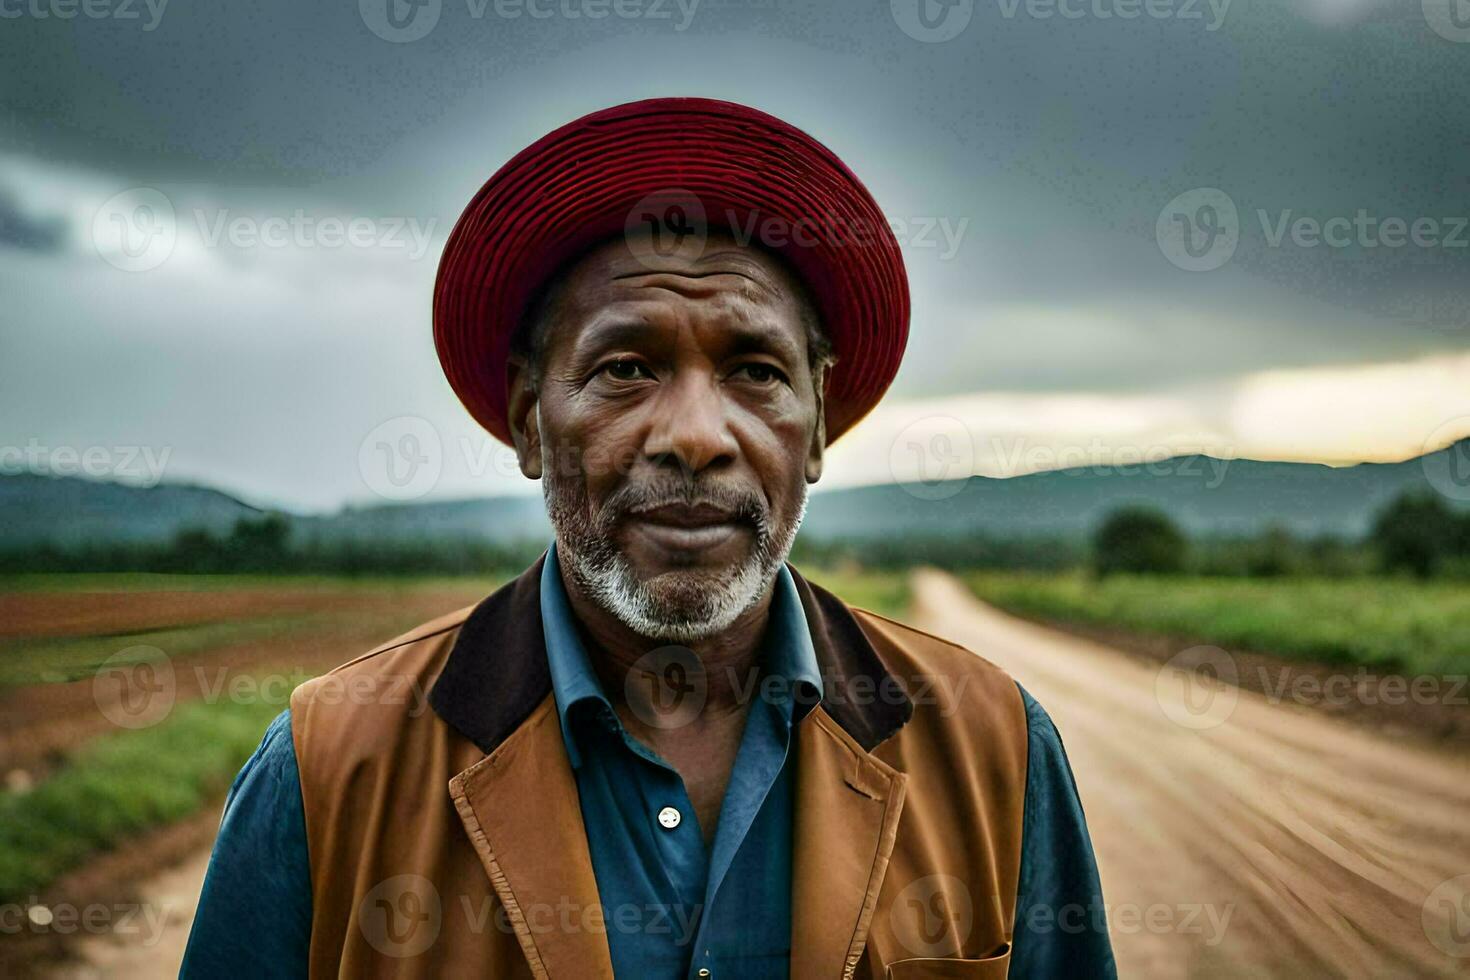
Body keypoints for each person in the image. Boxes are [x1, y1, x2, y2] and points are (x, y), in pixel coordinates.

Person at [181, 97, 1115, 979]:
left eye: (754, 370)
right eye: (628, 367)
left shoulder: (996, 747)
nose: (698, 437)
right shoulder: (330, 766)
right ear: (528, 420)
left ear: (819, 424)